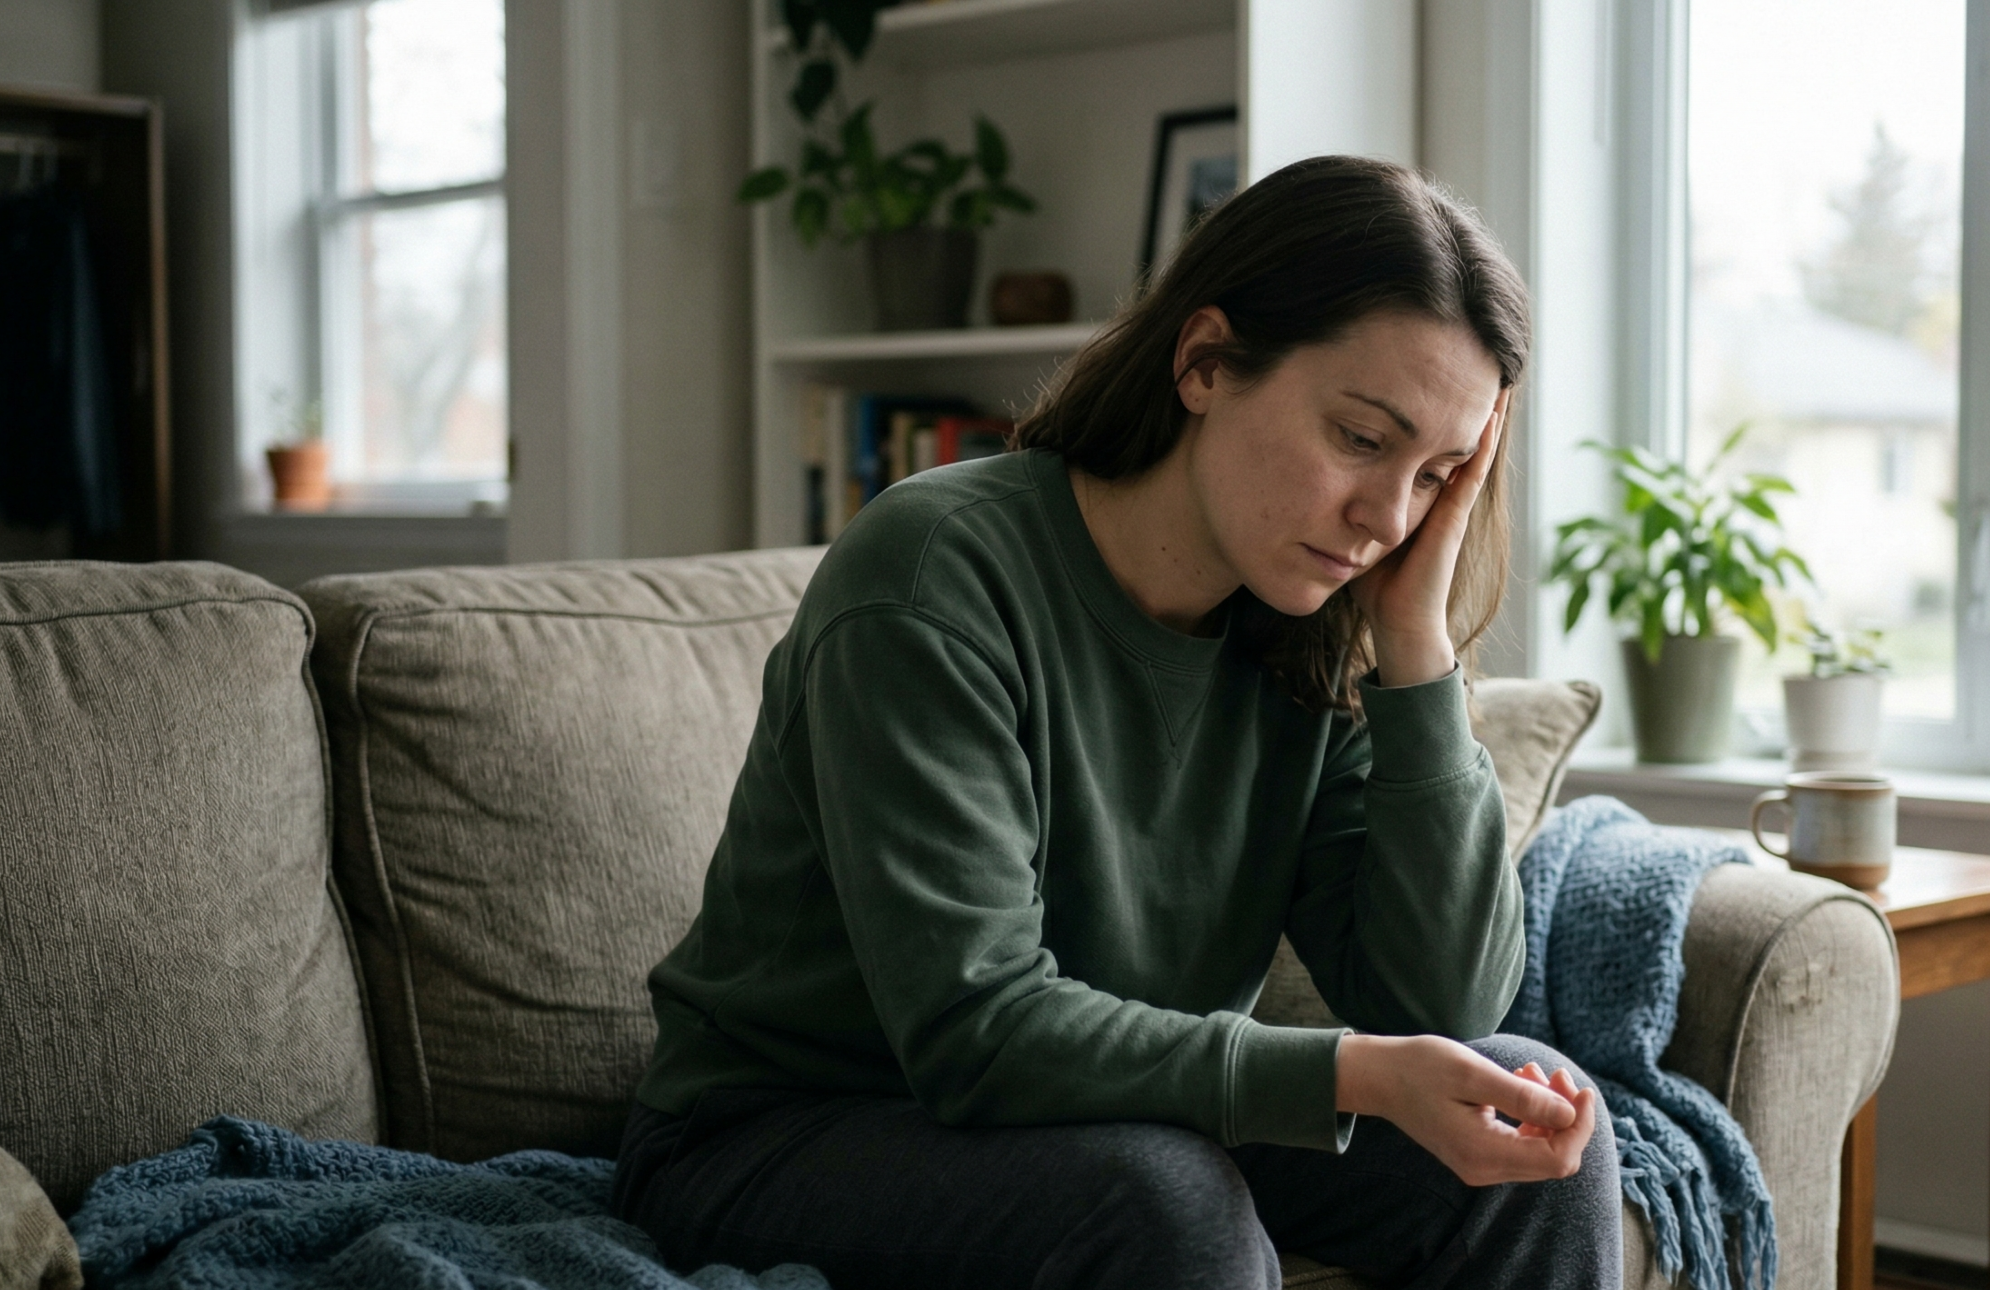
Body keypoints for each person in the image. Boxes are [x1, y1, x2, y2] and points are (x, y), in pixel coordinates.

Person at [613, 155, 1622, 1290]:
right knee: (1165, 1202)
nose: (1387, 517)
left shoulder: (1315, 622)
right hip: (785, 1134)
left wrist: (1417, 651)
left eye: (1437, 475)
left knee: (1541, 1141)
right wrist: (1352, 1074)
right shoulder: (936, 572)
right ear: (1203, 362)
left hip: (1118, 1110)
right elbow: (976, 1032)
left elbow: (1439, 1001)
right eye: (1358, 439)